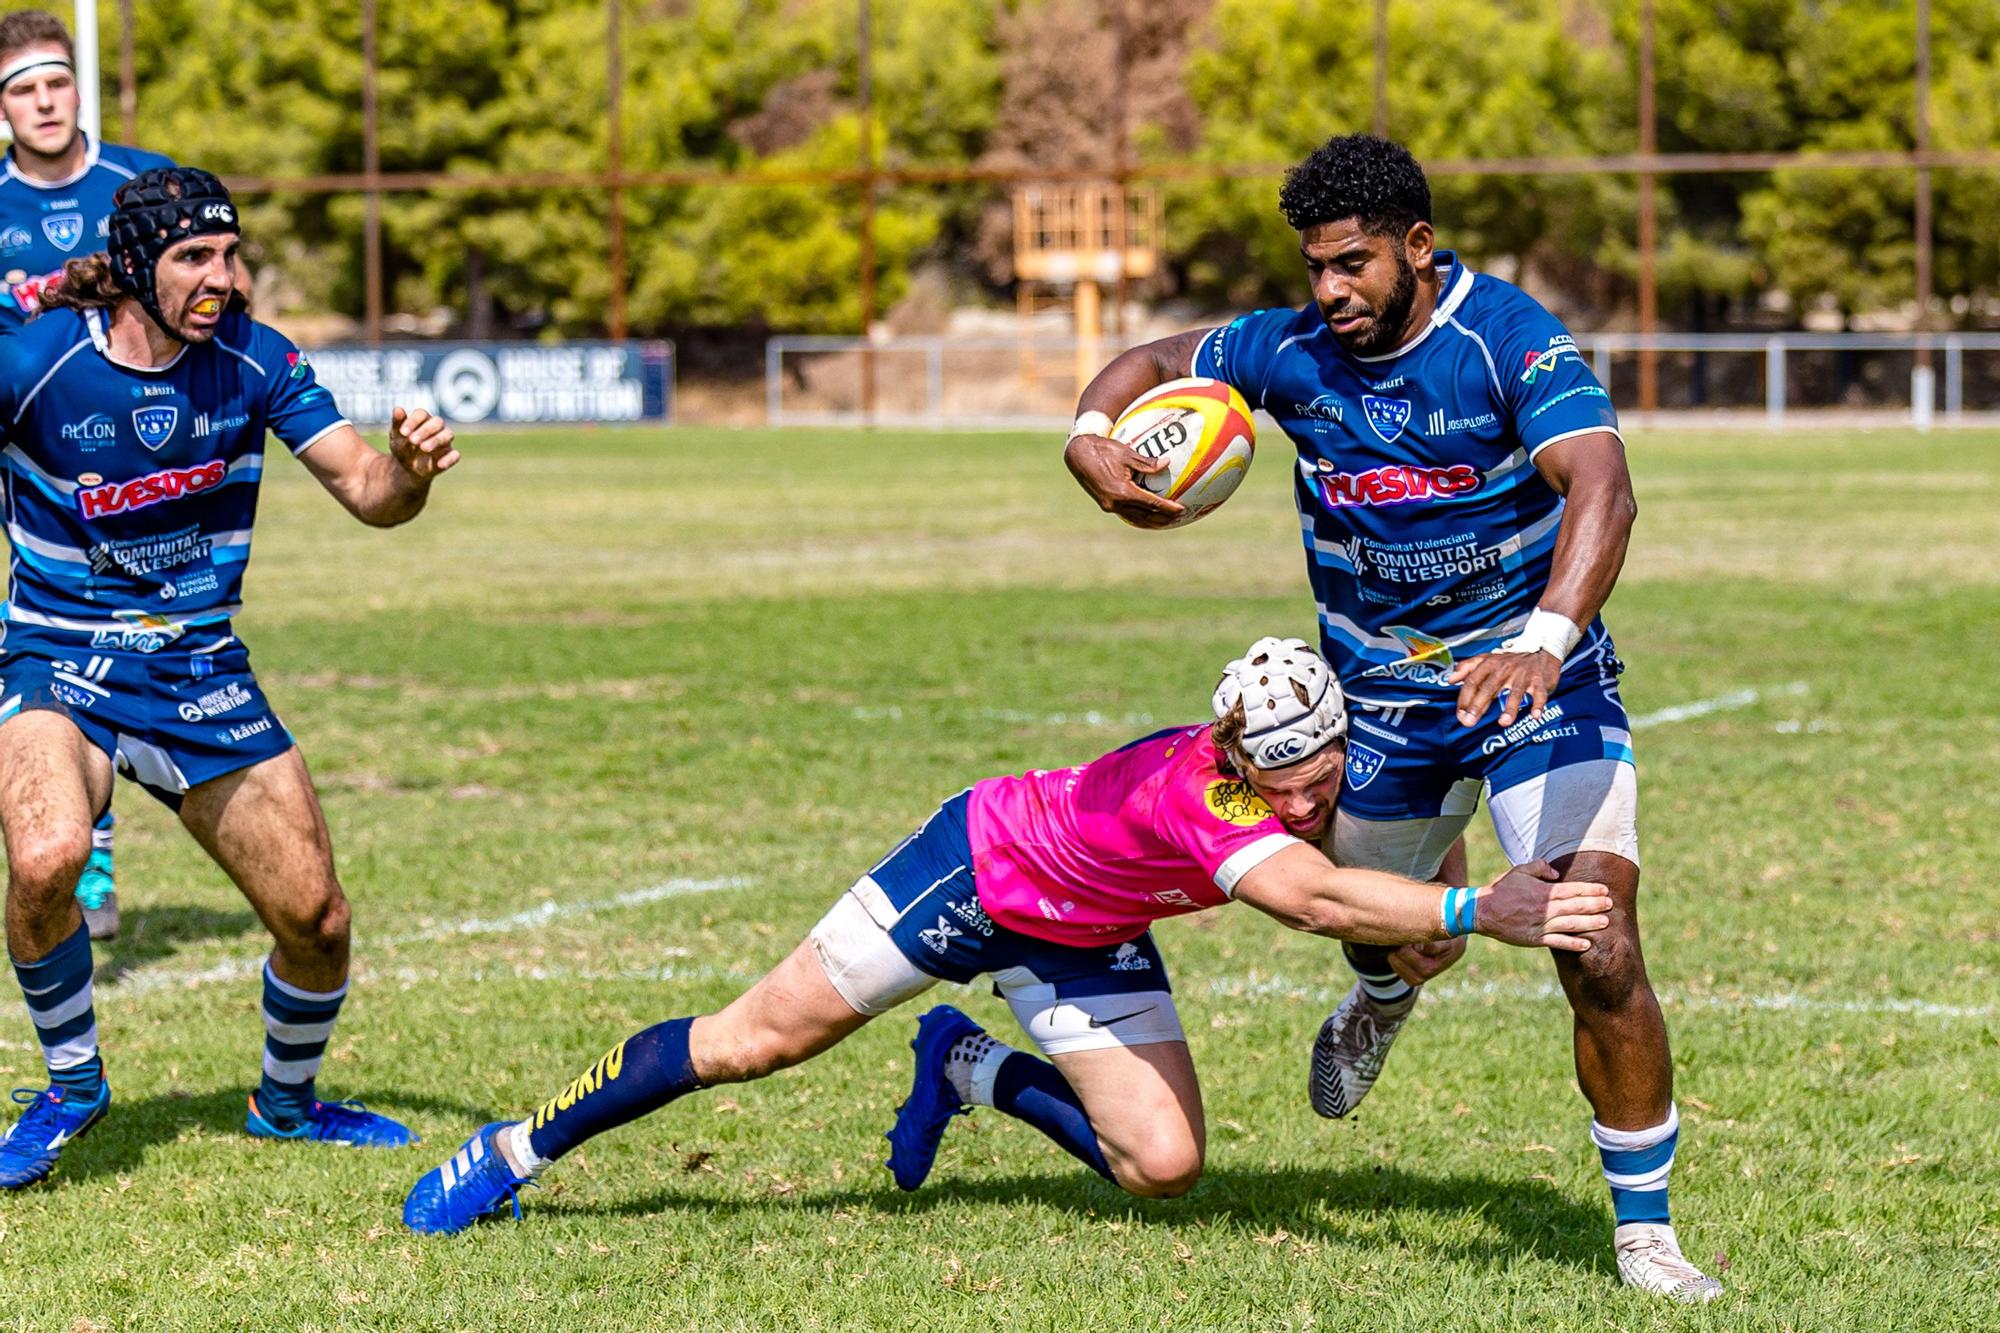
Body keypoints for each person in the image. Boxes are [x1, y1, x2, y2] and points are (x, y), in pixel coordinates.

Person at [1060, 135, 1718, 1303]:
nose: (1329, 290)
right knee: (1378, 928)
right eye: (1315, 266)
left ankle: (1644, 1235)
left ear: (1418, 246)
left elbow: (1602, 487)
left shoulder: (1505, 338)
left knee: (1596, 938)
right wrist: (1087, 437)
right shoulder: (1293, 349)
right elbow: (1150, 356)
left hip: (1540, 684)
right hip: (1379, 709)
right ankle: (1381, 994)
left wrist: (1541, 641)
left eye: (1352, 264)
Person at [402, 636, 1612, 1235]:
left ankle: (966, 1064)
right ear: (1235, 756)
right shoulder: (1204, 792)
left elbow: (1383, 836)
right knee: (747, 1044)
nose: (1301, 798)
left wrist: (1439, 873)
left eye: (1319, 774)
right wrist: (1473, 907)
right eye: (1276, 779)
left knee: (1165, 1167)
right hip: (975, 873)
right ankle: (514, 1152)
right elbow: (1315, 899)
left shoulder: (1324, 762)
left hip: (1084, 935)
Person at [0, 166, 459, 1188]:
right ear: (132, 268)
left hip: (201, 669)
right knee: (46, 858)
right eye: (193, 258)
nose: (222, 276)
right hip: (59, 657)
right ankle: (73, 1086)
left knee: (318, 920)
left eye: (228, 254)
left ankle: (285, 1106)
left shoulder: (257, 359)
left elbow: (368, 492)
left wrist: (411, 473)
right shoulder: (35, 363)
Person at [0, 8, 178, 939]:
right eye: (23, 88)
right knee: (46, 615)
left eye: (57, 82)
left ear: (78, 86)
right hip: (19, 440)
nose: (44, 100)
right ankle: (66, 818)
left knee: (114, 617)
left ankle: (91, 837)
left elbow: (208, 284)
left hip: (126, 444)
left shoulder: (136, 182)